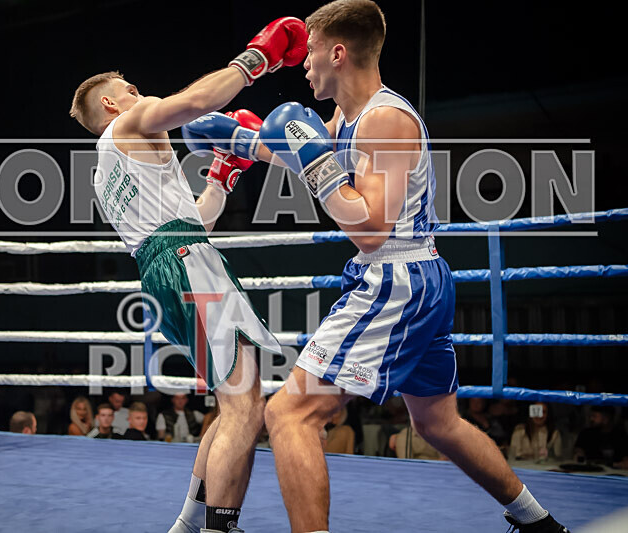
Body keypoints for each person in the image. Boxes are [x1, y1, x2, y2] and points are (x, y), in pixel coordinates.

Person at [185, 2, 569, 531]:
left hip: (396, 278)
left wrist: (315, 163)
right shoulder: (348, 117)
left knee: (290, 414)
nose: (304, 63)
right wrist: (239, 139)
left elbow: (369, 228)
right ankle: (538, 523)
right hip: (416, 278)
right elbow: (301, 150)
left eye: (312, 51)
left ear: (338, 53)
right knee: (438, 423)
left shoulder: (386, 121)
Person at [68, 18, 305, 533]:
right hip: (187, 264)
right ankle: (220, 527)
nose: (139, 92)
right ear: (110, 104)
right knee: (246, 408)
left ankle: (189, 522)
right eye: (128, 89)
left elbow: (192, 223)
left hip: (169, 263)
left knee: (234, 401)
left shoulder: (106, 169)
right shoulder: (131, 122)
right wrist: (257, 59)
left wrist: (220, 177)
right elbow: (197, 101)